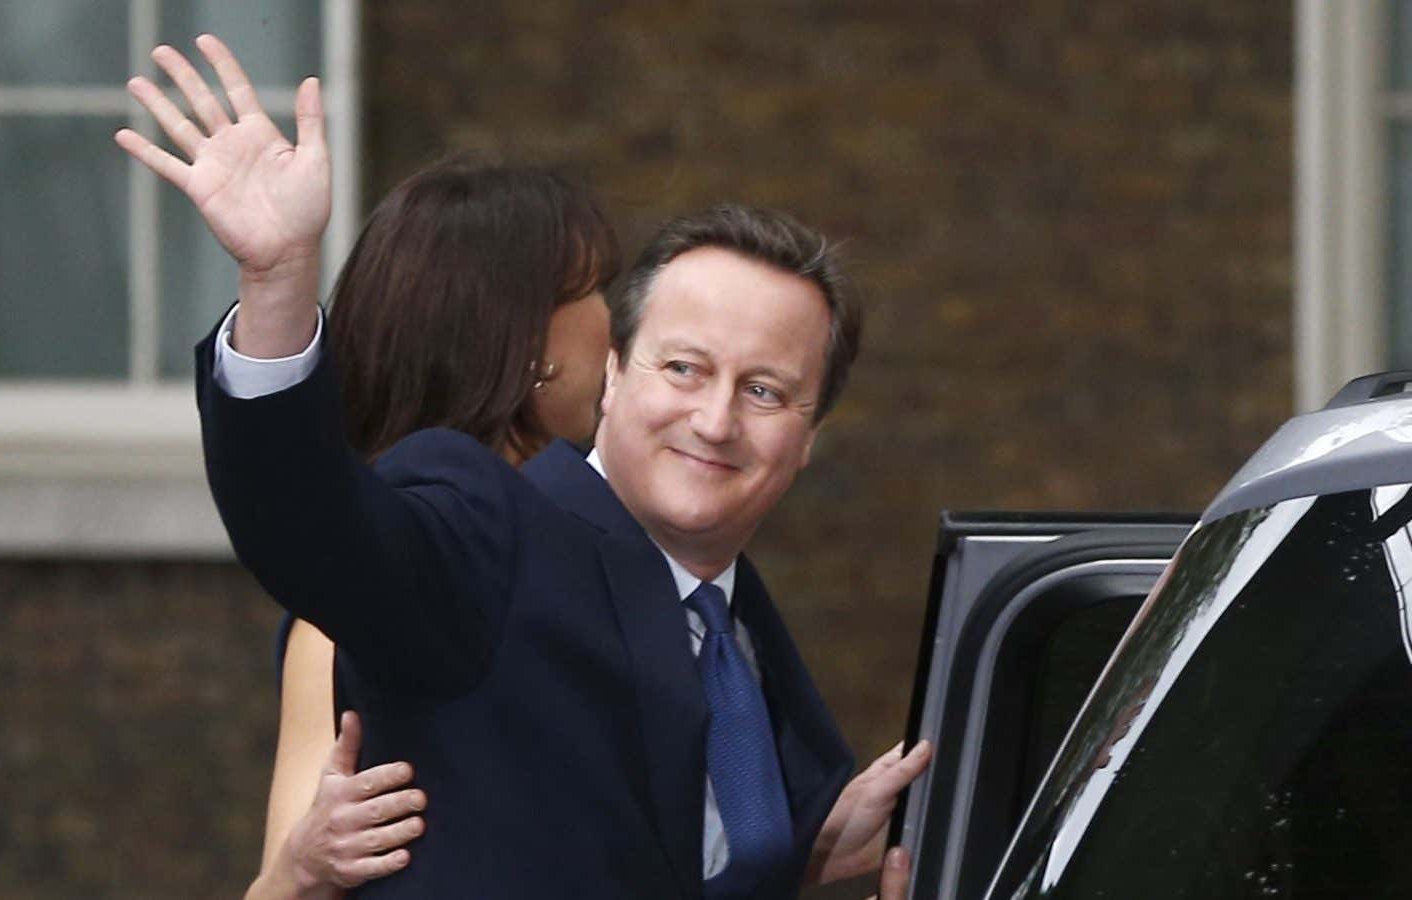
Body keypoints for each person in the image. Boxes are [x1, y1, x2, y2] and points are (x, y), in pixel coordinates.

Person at [123, 34, 928, 900]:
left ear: (810, 435)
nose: (716, 420)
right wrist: (277, 284)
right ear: (616, 372)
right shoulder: (488, 526)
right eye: (684, 369)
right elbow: (309, 526)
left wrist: (798, 855)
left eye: (766, 391)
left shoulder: (739, 627)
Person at [118, 40, 620, 899]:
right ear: (528, 342)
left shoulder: (609, 531)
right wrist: (303, 868)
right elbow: (277, 888)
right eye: (602, 287)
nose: (620, 319)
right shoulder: (392, 588)